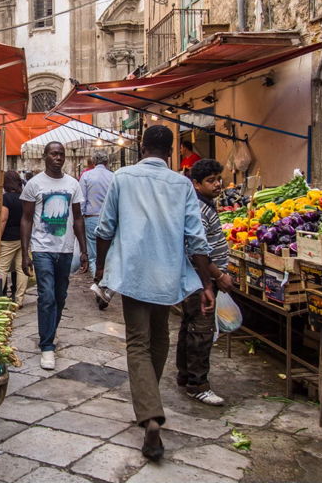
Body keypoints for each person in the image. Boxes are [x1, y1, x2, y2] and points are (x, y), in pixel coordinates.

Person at [93, 125, 215, 462]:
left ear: (142, 146)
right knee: (159, 335)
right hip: (167, 275)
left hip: (132, 271)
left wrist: (100, 269)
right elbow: (196, 239)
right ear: (170, 151)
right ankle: (150, 401)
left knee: (137, 341)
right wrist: (206, 284)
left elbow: (105, 228)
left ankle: (150, 415)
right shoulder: (182, 184)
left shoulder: (123, 177)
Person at [20, 141, 88, 370]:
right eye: (54, 154)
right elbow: (26, 219)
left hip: (66, 249)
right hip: (42, 249)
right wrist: (25, 252)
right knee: (46, 296)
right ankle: (47, 346)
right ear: (45, 157)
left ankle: (50, 331)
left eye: (61, 154)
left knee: (60, 297)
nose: (58, 158)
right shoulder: (34, 184)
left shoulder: (73, 184)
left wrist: (84, 249)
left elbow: (78, 218)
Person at [176, 159, 234, 406]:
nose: (218, 184)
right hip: (200, 279)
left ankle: (185, 375)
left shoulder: (206, 205)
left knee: (189, 327)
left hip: (199, 279)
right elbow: (196, 249)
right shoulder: (199, 209)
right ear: (196, 184)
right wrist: (217, 276)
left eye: (218, 179)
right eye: (211, 180)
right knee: (201, 330)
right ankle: (197, 384)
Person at [79, 151, 114, 302]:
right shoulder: (114, 176)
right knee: (109, 255)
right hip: (110, 219)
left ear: (93, 162)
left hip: (91, 218)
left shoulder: (86, 176)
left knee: (93, 256)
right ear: (107, 162)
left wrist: (79, 219)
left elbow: (81, 201)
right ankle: (105, 286)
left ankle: (98, 286)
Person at [0, 171, 28, 307]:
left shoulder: (6, 198)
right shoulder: (25, 197)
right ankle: (19, 300)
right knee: (21, 269)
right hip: (23, 237)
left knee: (2, 268)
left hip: (8, 238)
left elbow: (3, 219)